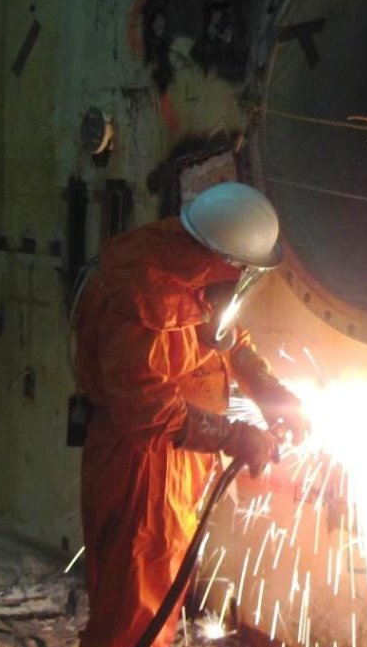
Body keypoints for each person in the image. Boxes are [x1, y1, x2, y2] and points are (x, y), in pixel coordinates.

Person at [72, 182, 304, 646]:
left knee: (160, 587)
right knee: (135, 601)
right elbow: (146, 413)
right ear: (224, 258)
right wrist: (236, 437)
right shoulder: (144, 294)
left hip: (181, 452)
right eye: (243, 269)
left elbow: (226, 339)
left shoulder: (192, 271)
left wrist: (274, 394)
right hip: (142, 464)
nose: (242, 279)